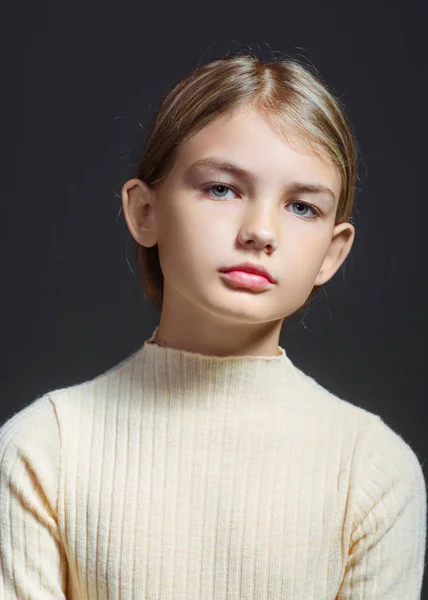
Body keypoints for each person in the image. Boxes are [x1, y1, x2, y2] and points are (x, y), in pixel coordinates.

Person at [0, 51, 426, 599]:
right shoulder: (43, 450)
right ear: (145, 212)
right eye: (222, 189)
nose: (260, 231)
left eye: (302, 207)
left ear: (333, 252)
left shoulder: (372, 471)